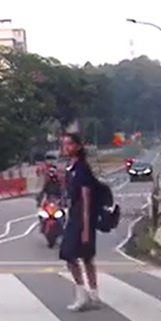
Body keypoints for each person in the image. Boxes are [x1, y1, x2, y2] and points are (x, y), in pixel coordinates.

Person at [60, 132, 100, 311]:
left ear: (77, 146)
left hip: (82, 218)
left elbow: (86, 199)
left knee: (80, 255)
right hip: (73, 216)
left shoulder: (82, 168)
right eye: (64, 144)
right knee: (76, 256)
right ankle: (85, 293)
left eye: (69, 144)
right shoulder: (71, 168)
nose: (66, 147)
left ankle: (90, 295)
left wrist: (85, 227)